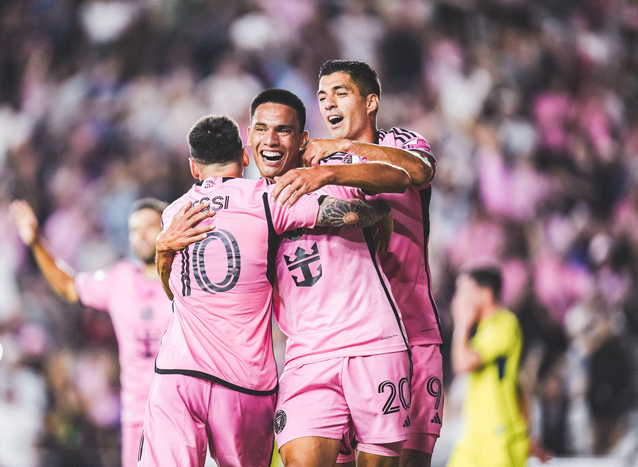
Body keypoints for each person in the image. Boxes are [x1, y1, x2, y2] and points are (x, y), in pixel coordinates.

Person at [138, 109, 395, 467]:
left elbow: (172, 288)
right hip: (243, 383)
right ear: (245, 157)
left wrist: (162, 247)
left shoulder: (174, 215)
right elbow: (349, 214)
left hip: (178, 374)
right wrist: (381, 211)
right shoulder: (266, 198)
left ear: (194, 168)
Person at [272, 59, 442, 467]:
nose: (328, 103)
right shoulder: (313, 165)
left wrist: (342, 153)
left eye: (340, 93)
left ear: (371, 102)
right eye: (321, 96)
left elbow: (418, 172)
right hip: (346, 340)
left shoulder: (401, 143)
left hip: (414, 330)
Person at [9, 198, 173, 467]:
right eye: (134, 229)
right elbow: (69, 287)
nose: (141, 235)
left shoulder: (186, 277)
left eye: (149, 226)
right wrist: (36, 242)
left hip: (181, 409)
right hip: (136, 413)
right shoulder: (120, 278)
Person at [448, 265, 534, 467]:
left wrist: (462, 323)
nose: (458, 300)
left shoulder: (504, 323)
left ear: (485, 294)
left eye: (464, 291)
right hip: (476, 435)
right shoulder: (483, 331)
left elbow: (462, 363)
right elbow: (518, 385)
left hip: (499, 436)